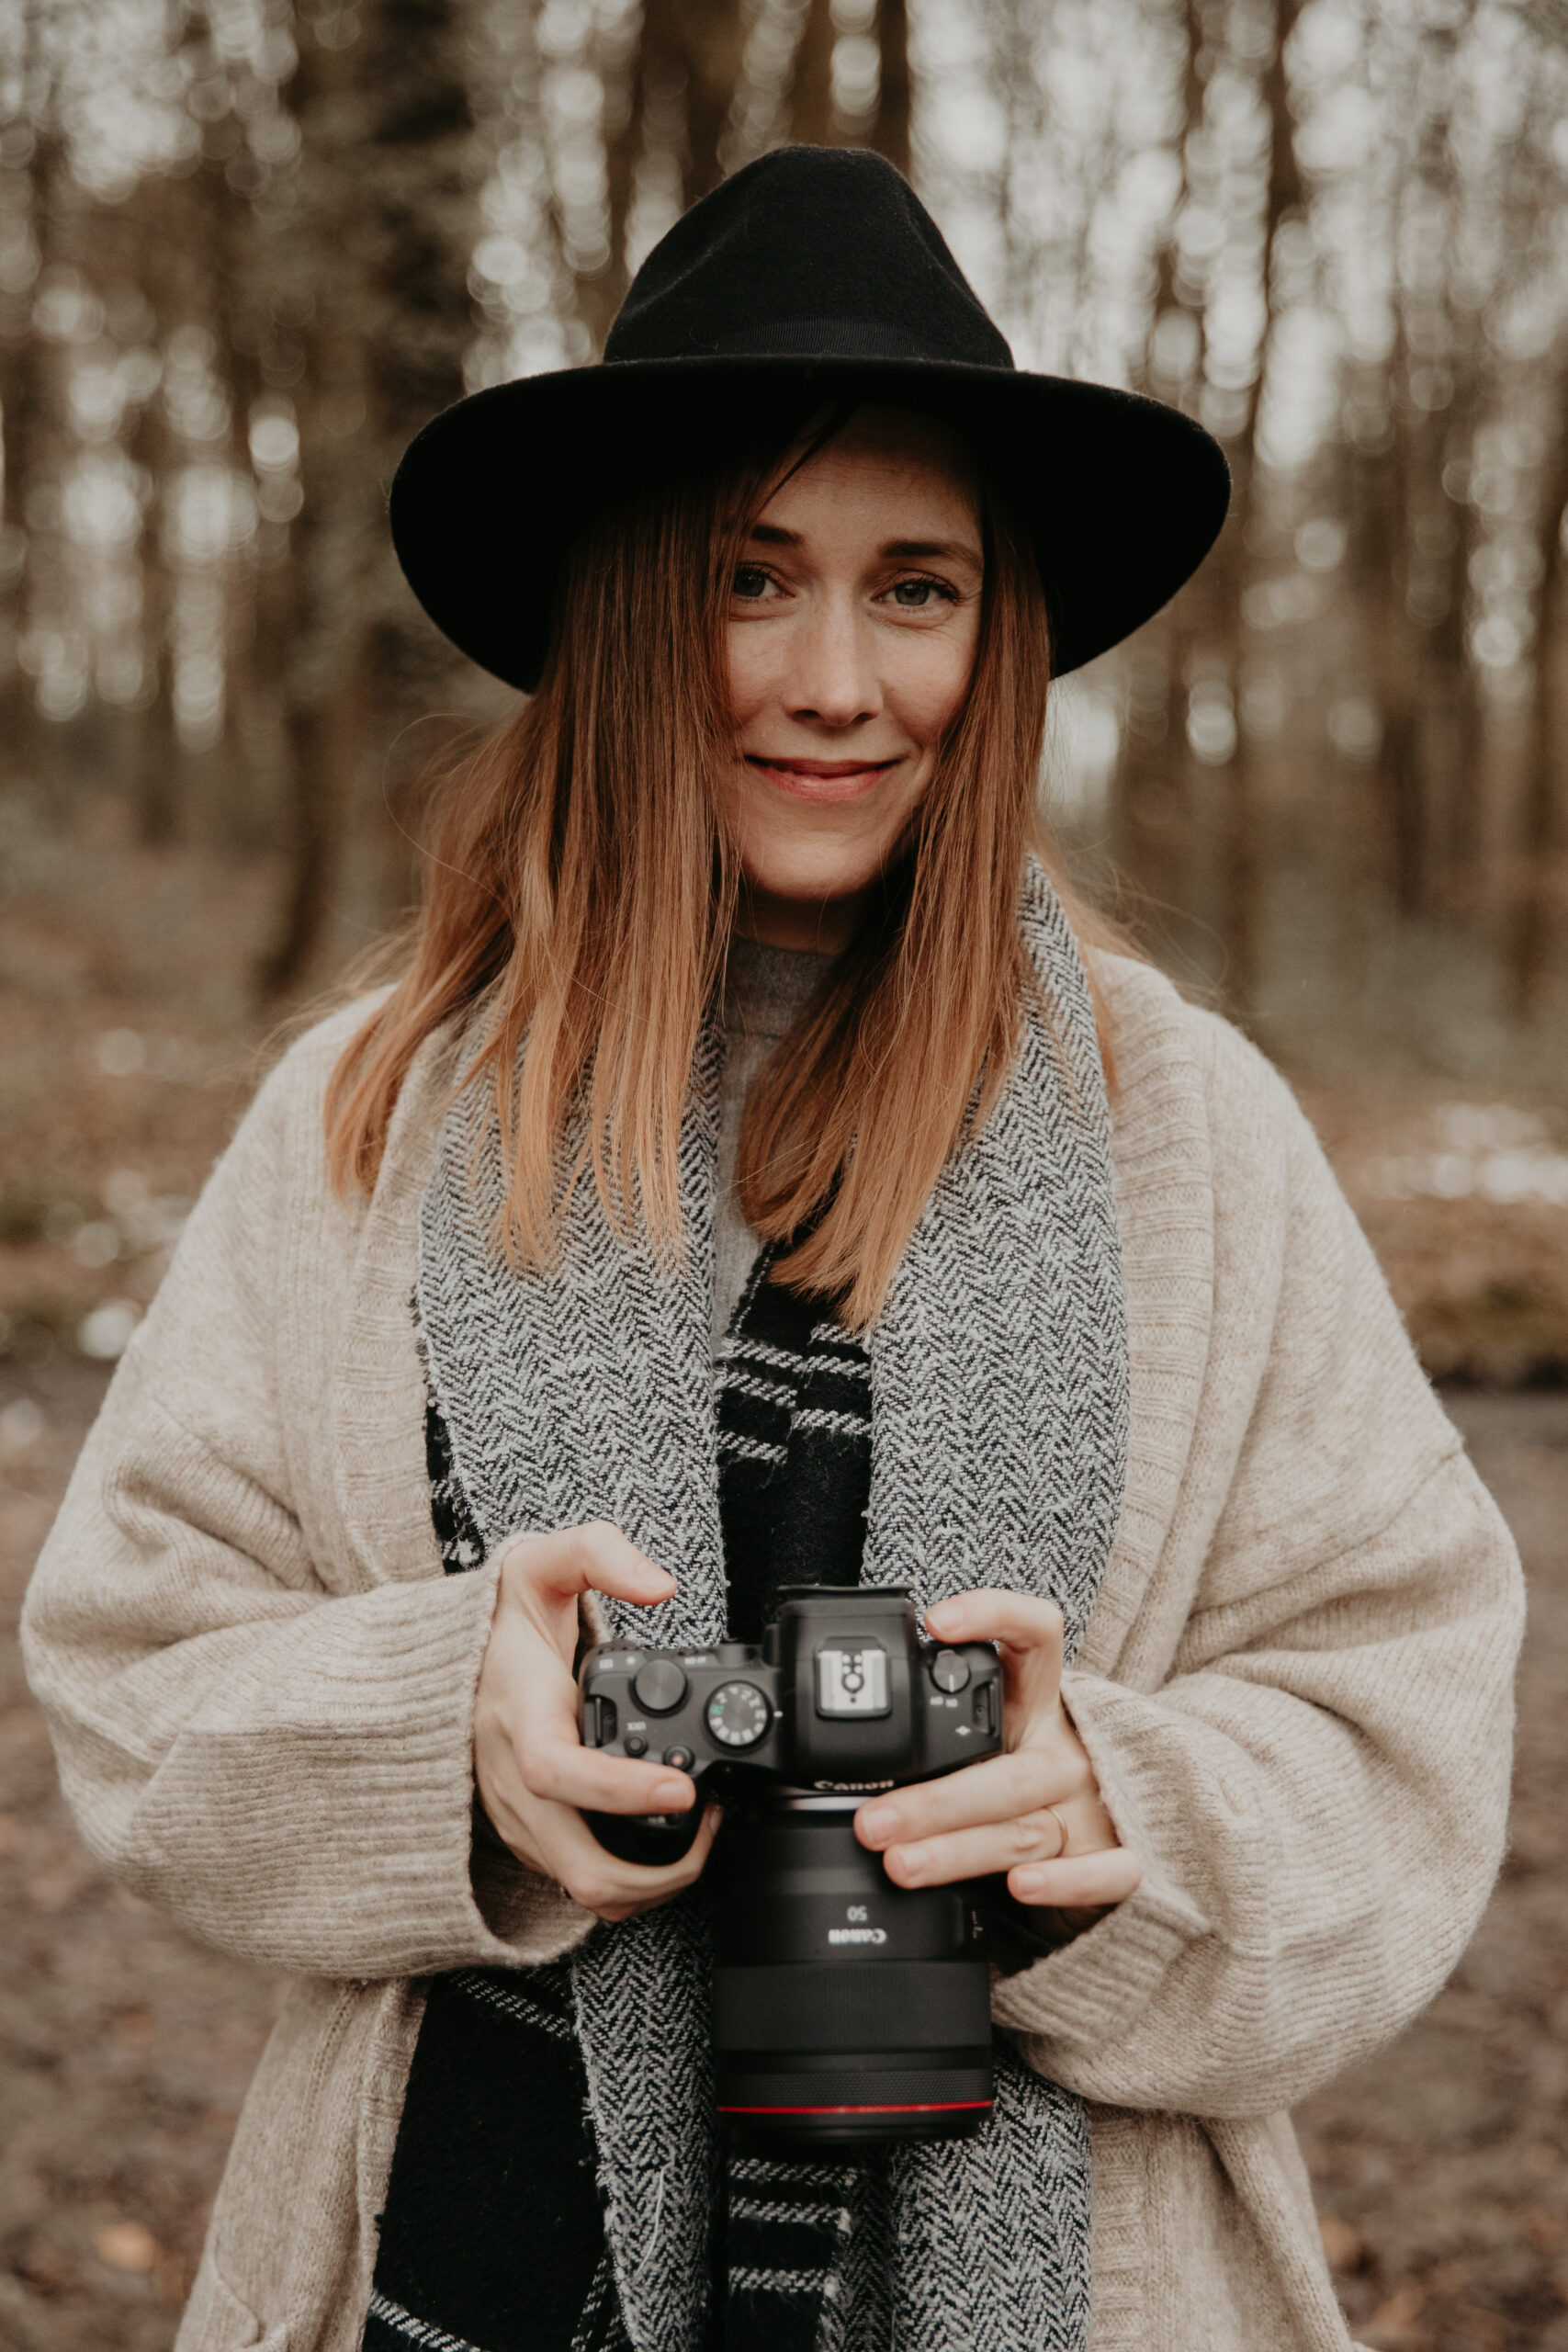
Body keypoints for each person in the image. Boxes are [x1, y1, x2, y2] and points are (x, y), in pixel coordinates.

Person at [22, 146, 1521, 2352]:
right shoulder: (379, 1111)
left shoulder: (1175, 1127)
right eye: (753, 575)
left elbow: (1404, 1716)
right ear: (631, 608)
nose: (836, 679)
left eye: (914, 587)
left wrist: (1132, 1806)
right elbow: (137, 1664)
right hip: (462, 2267)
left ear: (992, 635)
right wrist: (456, 1733)